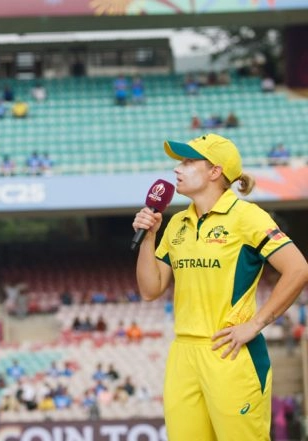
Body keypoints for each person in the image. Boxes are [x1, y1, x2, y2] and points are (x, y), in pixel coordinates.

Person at [132, 133, 308, 440]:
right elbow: (150, 290)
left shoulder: (248, 217)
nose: (178, 168)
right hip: (183, 355)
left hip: (231, 352)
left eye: (188, 161)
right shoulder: (175, 223)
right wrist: (149, 236)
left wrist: (255, 325)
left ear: (215, 171)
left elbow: (298, 269)